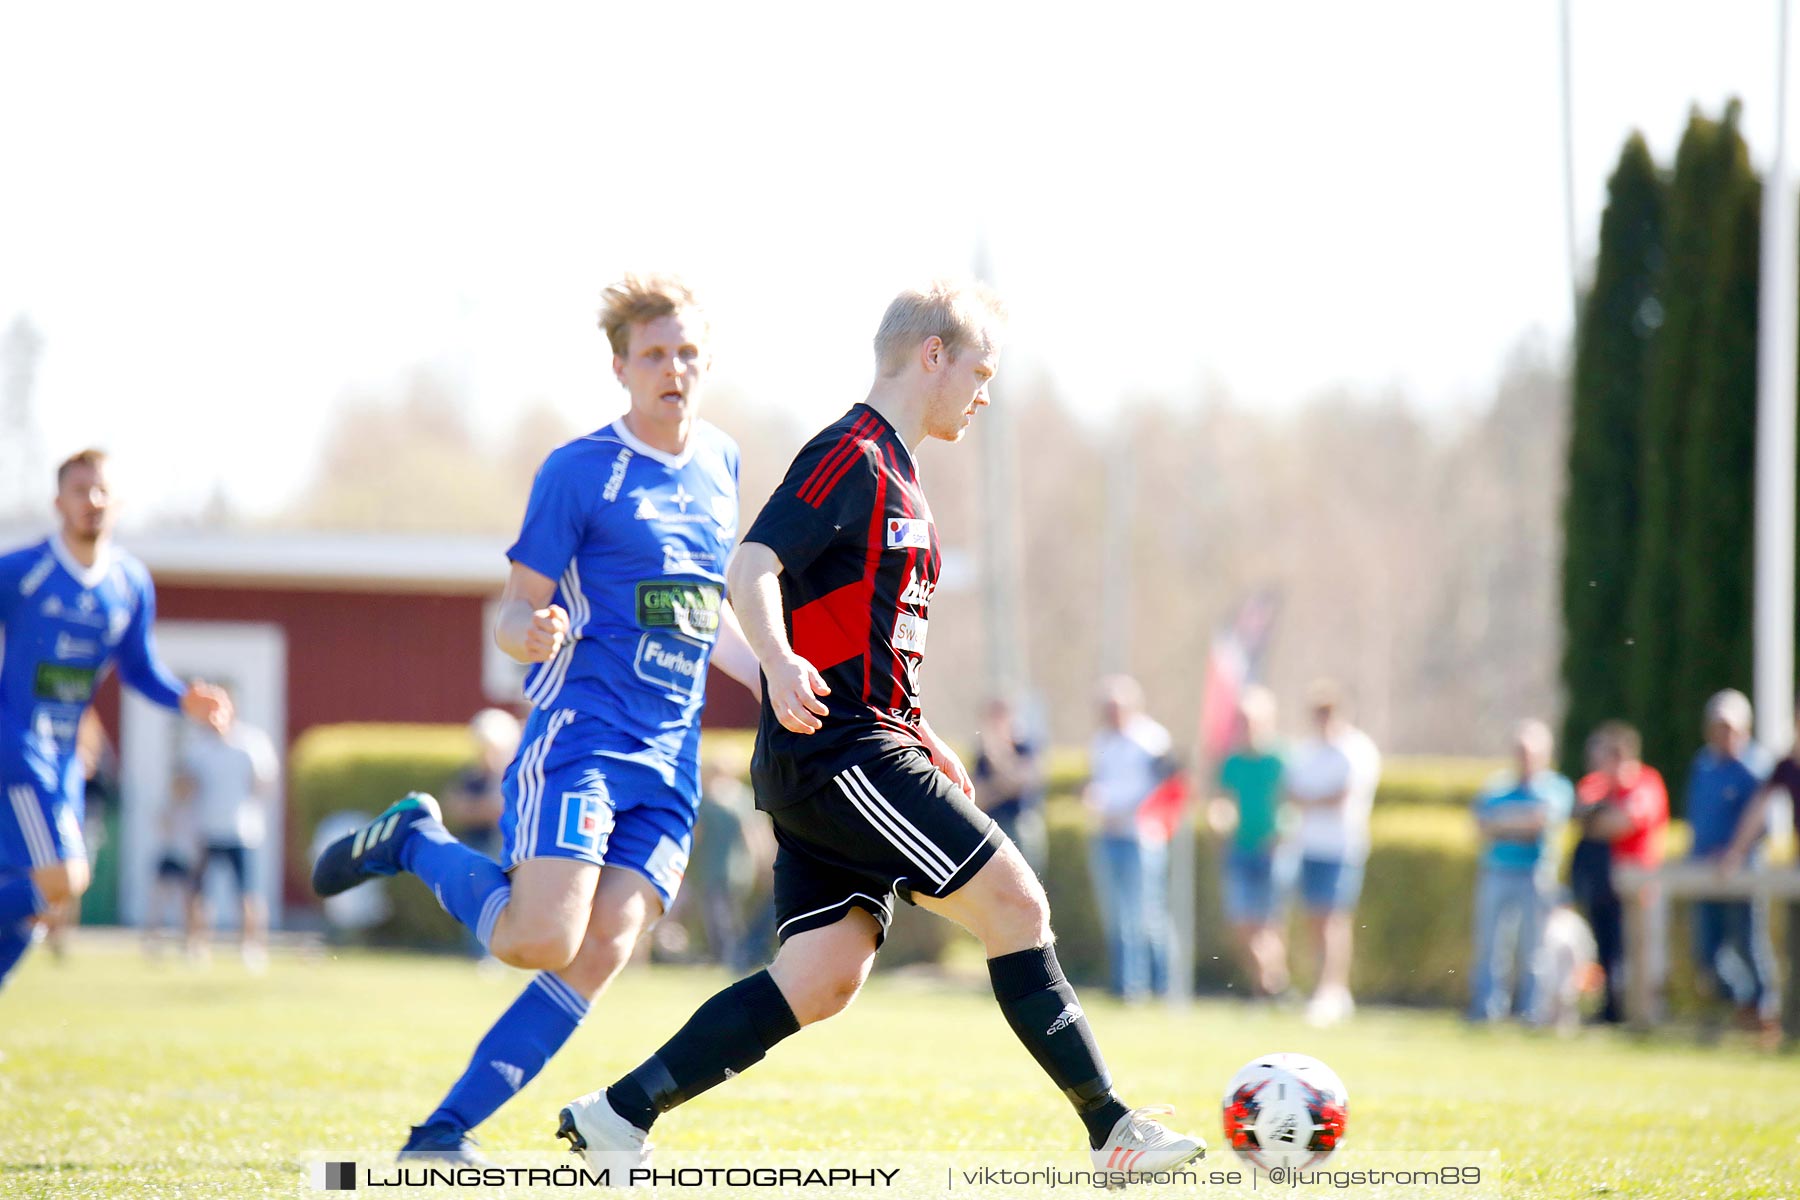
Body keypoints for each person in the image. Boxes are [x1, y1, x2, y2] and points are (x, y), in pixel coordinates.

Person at [556, 280, 1205, 1177]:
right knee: (1016, 903)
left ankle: (617, 1117)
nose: (985, 393)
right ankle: (1112, 1128)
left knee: (822, 978)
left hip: (856, 744)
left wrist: (923, 731)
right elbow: (751, 565)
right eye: (980, 370)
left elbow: (861, 640)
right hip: (838, 750)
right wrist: (780, 664)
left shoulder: (901, 473)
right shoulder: (852, 453)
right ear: (931, 355)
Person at [311, 275, 762, 1159]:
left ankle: (440, 1134)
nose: (674, 369)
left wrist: (781, 677)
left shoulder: (721, 464)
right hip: (584, 738)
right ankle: (414, 839)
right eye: (655, 355)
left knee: (605, 949)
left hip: (670, 761)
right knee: (539, 939)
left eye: (688, 354)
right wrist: (534, 630)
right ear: (621, 368)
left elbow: (706, 616)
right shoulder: (579, 471)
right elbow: (512, 612)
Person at [0, 451, 231, 992]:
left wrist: (183, 699)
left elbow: (139, 667)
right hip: (16, 746)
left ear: (119, 502)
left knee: (38, 906)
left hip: (64, 760)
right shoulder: (24, 572)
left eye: (102, 490)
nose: (93, 501)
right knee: (64, 880)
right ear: (59, 502)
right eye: (80, 490)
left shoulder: (128, 583)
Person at [1684, 689, 1779, 1043]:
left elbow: (1762, 824)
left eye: (1732, 728)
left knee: (1748, 942)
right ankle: (1743, 1003)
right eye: (1719, 727)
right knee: (1707, 951)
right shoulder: (1703, 764)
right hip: (1704, 871)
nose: (1725, 735)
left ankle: (1763, 1010)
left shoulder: (1754, 767)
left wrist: (1733, 853)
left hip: (1741, 871)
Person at [1283, 680, 1380, 1027]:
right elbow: (1292, 791)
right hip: (1308, 844)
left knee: (1333, 919)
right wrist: (1311, 799)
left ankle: (1334, 990)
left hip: (1341, 847)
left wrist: (1311, 799)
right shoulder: (1307, 750)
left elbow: (1343, 796)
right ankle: (1321, 986)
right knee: (1314, 919)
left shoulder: (1355, 749)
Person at [1465, 719, 1572, 1024]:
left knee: (1533, 947)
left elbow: (1540, 822)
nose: (1524, 757)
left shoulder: (1555, 787)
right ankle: (1486, 1009)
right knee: (1490, 946)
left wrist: (1504, 823)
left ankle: (1531, 1012)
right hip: (1497, 871)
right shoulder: (1497, 785)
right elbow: (1481, 824)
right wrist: (1519, 821)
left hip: (1534, 874)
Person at [1083, 676, 1176, 1001]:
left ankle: (1165, 985)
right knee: (1118, 916)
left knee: (1147, 914)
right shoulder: (1102, 742)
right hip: (1107, 834)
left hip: (1141, 837)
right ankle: (1127, 987)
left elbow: (1165, 788)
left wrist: (1126, 808)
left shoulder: (1151, 740)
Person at [1570, 721, 1668, 1025]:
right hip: (1604, 884)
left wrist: (1600, 821)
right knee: (1607, 951)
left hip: (1639, 883)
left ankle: (1643, 1017)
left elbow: (1623, 822)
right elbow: (1579, 815)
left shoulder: (1646, 782)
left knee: (1641, 955)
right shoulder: (1597, 784)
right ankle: (1611, 1011)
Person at [179, 694, 279, 969]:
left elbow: (264, 781)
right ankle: (197, 946)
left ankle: (252, 947)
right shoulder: (198, 746)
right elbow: (184, 784)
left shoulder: (251, 742)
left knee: (247, 893)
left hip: (242, 830)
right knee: (199, 893)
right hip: (206, 828)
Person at [1206, 685, 1289, 999]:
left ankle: (1266, 988)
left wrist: (1283, 829)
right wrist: (1217, 818)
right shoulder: (1233, 761)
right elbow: (1222, 799)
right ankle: (1271, 982)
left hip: (1273, 849)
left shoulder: (1280, 759)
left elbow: (1291, 802)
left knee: (1269, 924)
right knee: (1242, 922)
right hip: (1240, 849)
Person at [973, 697, 1047, 877]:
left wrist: (998, 756)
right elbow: (977, 795)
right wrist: (1001, 785)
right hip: (992, 825)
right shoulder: (982, 753)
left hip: (1020, 824)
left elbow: (1018, 783)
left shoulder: (1024, 747)